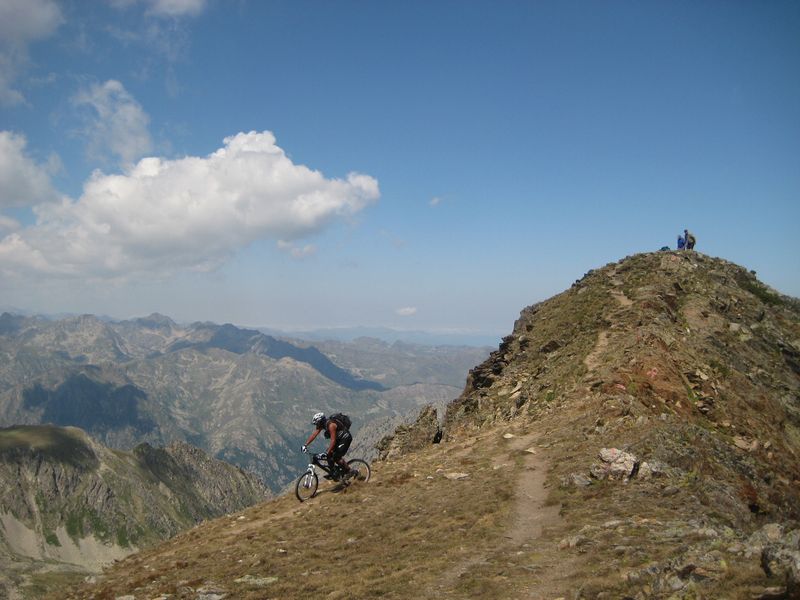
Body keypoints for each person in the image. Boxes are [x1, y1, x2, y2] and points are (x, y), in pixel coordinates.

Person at [302, 412, 352, 479]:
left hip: (345, 438)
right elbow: (314, 434)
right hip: (339, 439)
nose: (316, 425)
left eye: (317, 423)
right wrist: (305, 445)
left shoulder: (331, 425)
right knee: (328, 454)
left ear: (321, 421)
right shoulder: (323, 425)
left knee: (336, 456)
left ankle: (350, 471)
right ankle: (333, 472)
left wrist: (327, 452)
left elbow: (333, 441)